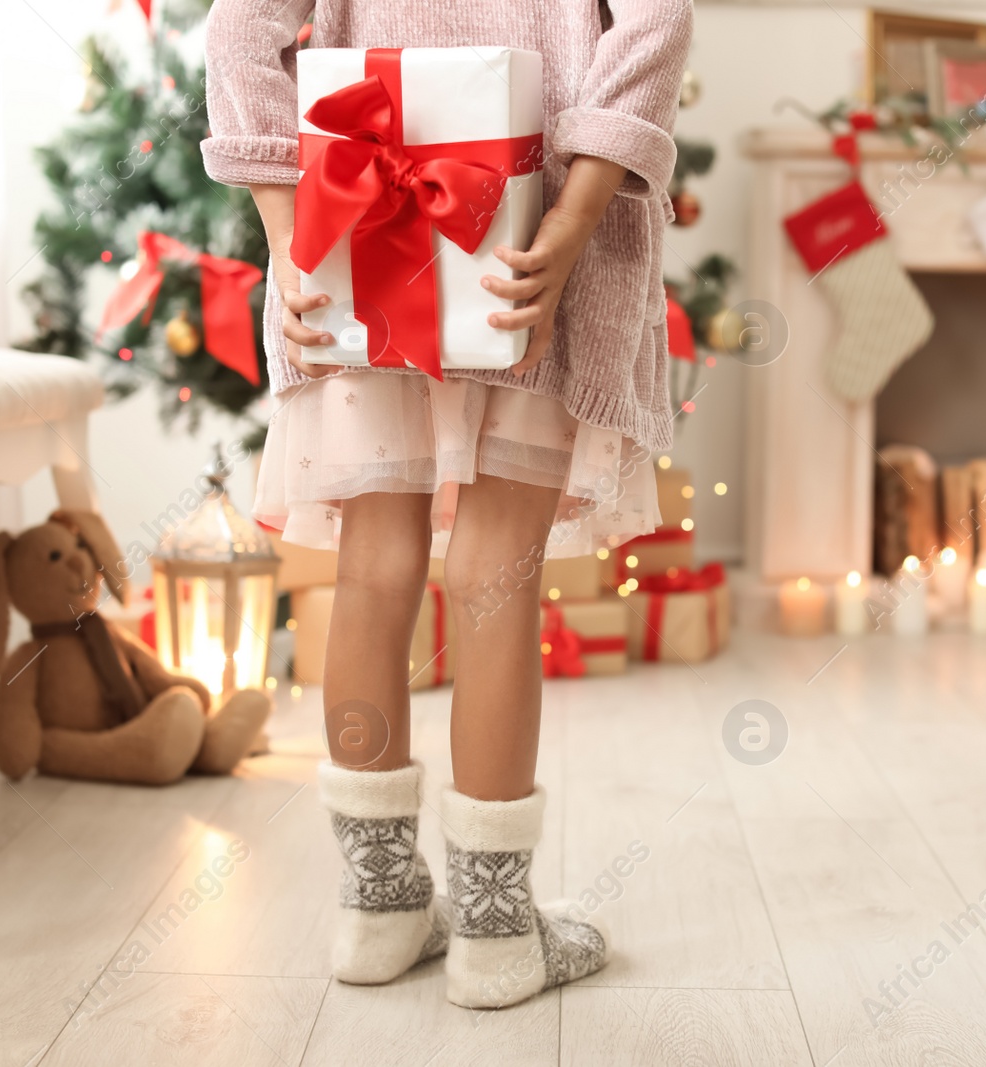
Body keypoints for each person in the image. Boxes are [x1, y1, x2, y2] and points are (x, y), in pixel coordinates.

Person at [203, 0, 691, 1009]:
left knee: (373, 566)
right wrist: (565, 225)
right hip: (531, 260)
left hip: (351, 242)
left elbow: (238, 28)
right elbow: (654, 25)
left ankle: (376, 914)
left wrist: (295, 229)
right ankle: (496, 932)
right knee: (494, 575)